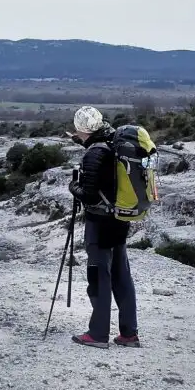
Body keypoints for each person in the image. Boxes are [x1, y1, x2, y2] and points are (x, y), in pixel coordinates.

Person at [66, 105, 140, 349]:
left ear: (81, 129)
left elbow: (88, 195)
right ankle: (129, 334)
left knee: (99, 276)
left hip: (100, 223)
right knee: (122, 275)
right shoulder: (113, 143)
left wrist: (72, 187)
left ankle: (97, 334)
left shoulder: (95, 153)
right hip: (120, 219)